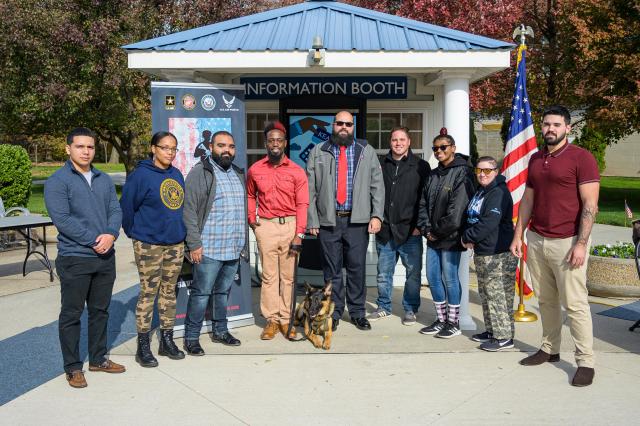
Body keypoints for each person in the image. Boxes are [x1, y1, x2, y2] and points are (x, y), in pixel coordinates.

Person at [510, 105, 600, 387]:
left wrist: (581, 244)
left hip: (568, 242)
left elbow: (590, 205)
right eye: (546, 124)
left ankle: (585, 361)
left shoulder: (581, 158)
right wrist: (518, 235)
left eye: (556, 125)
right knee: (546, 300)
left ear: (568, 128)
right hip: (537, 239)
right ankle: (549, 348)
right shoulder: (536, 158)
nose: (550, 129)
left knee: (575, 304)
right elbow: (528, 199)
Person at [44, 127, 125, 388]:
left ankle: (99, 358)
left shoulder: (102, 178)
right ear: (68, 149)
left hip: (105, 256)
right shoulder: (57, 181)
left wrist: (111, 235)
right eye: (80, 146)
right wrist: (93, 239)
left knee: (100, 311)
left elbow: (115, 209)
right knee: (72, 313)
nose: (86, 151)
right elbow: (62, 219)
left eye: (90, 147)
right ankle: (73, 367)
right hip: (75, 257)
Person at [306, 110, 385, 331]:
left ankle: (358, 312)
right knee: (331, 271)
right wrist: (312, 220)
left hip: (357, 221)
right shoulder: (318, 151)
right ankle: (335, 312)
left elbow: (377, 186)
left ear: (353, 126)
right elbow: (310, 189)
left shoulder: (365, 151)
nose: (344, 127)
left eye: (348, 124)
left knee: (356, 269)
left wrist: (377, 215)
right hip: (329, 222)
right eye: (339, 123)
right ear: (332, 125)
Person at [120, 131, 187, 367]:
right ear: (153, 148)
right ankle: (143, 345)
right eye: (164, 147)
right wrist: (136, 234)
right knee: (149, 293)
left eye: (173, 148)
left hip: (175, 243)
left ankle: (166, 340)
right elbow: (126, 208)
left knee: (169, 292)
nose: (169, 152)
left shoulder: (176, 174)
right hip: (149, 243)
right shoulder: (140, 176)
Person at [182, 130, 249, 355]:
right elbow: (189, 211)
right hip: (208, 248)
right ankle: (191, 337)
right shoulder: (200, 172)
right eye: (221, 145)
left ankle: (221, 330)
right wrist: (194, 244)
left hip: (232, 247)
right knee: (201, 294)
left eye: (230, 146)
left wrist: (243, 245)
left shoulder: (238, 173)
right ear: (211, 147)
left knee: (222, 292)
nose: (226, 150)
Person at [247, 121, 309, 340]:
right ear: (266, 143)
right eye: (271, 140)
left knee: (289, 278)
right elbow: (250, 195)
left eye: (279, 140)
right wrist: (251, 218)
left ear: (285, 143)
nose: (275, 144)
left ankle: (286, 320)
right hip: (266, 226)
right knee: (269, 276)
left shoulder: (296, 171)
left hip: (290, 225)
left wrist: (299, 234)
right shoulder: (255, 169)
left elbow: (303, 205)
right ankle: (271, 321)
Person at [367, 127, 430, 326]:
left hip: (411, 231)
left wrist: (420, 225)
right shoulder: (380, 165)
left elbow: (425, 199)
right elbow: (373, 194)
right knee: (384, 273)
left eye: (402, 139)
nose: (398, 143)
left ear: (409, 142)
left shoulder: (421, 166)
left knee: (413, 273)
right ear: (390, 142)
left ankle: (410, 309)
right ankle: (384, 306)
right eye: (395, 139)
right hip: (386, 230)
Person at [417, 128, 474, 339]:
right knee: (433, 277)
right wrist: (426, 229)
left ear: (453, 148)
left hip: (450, 237)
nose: (439, 151)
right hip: (432, 236)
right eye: (435, 148)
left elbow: (457, 210)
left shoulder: (463, 172)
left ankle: (453, 322)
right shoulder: (433, 174)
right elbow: (422, 203)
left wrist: (437, 232)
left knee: (450, 278)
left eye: (443, 147)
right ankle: (441, 320)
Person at [461, 156, 517, 351]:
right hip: (483, 251)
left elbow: (488, 223)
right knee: (486, 294)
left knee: (498, 295)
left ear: (496, 171)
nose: (482, 174)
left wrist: (467, 237)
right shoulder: (482, 191)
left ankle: (504, 338)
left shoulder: (498, 193)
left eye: (487, 170)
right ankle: (492, 331)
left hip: (498, 253)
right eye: (479, 170)